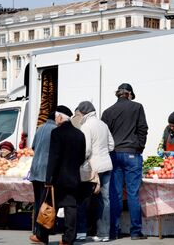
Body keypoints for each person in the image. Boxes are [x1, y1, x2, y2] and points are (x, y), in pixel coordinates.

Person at [101, 83, 148, 240]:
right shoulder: (137, 107)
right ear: (128, 94)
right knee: (133, 194)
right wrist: (139, 147)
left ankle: (114, 231)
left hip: (114, 154)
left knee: (115, 194)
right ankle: (135, 232)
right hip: (131, 154)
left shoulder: (107, 112)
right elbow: (143, 129)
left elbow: (104, 135)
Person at [75, 101, 115, 242]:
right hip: (106, 165)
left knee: (83, 200)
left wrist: (80, 160)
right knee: (105, 200)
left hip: (93, 167)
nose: (78, 115)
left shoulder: (86, 126)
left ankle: (81, 231)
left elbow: (86, 150)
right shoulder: (103, 124)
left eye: (79, 113)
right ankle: (104, 234)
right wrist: (103, 152)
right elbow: (111, 145)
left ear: (84, 112)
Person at [46, 106, 86, 245]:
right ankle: (69, 238)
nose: (55, 119)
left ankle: (44, 234)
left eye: (56, 116)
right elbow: (82, 157)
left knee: (51, 205)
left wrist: (49, 177)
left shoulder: (56, 133)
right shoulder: (79, 134)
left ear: (60, 117)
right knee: (71, 206)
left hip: (58, 177)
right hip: (74, 175)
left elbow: (54, 157)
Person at [28, 111, 57, 244]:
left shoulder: (40, 128)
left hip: (35, 170)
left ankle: (36, 230)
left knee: (38, 201)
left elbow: (33, 147)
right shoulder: (55, 130)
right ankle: (42, 232)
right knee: (45, 203)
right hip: (46, 171)